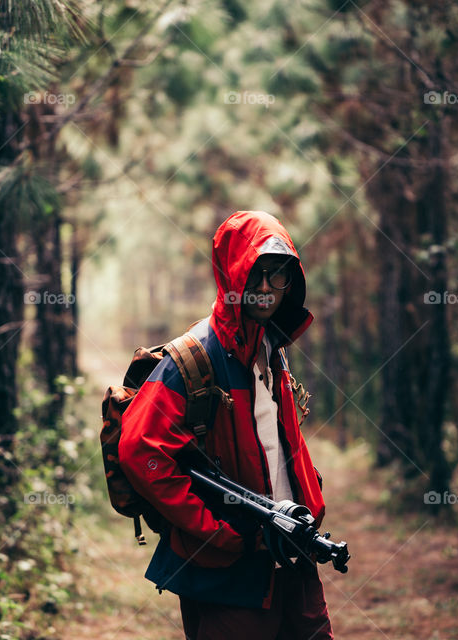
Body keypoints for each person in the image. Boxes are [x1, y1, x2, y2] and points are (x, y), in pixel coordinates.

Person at [118, 210, 334, 639]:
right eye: (258, 274)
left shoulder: (272, 348)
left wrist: (308, 497)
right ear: (233, 272)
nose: (269, 289)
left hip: (291, 549)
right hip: (227, 571)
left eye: (279, 276)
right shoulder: (194, 359)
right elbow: (138, 449)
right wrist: (216, 530)